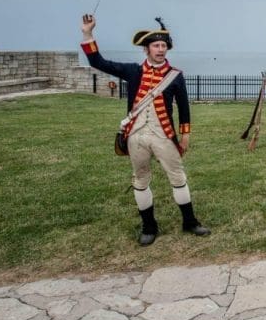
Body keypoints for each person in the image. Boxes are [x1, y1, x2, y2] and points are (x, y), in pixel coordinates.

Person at [80, 14, 210, 245]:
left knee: (178, 177)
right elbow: (98, 62)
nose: (161, 49)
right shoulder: (133, 72)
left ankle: (190, 222)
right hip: (136, 135)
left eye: (163, 46)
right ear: (146, 49)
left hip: (164, 135)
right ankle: (149, 226)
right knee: (140, 179)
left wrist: (186, 134)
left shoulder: (175, 76)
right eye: (156, 45)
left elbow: (184, 106)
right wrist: (88, 34)